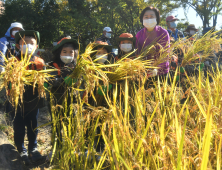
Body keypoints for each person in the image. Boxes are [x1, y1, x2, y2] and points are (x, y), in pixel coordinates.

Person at [11, 30, 44, 165]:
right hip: (17, 102)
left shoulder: (40, 63)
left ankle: (33, 148)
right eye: (24, 43)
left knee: (33, 127)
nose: (28, 45)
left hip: (33, 101)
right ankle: (20, 148)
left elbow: (44, 82)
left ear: (36, 46)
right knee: (18, 127)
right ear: (18, 46)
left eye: (31, 43)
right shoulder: (14, 61)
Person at [136, 6, 170, 83]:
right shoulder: (139, 34)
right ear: (142, 19)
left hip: (162, 72)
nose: (149, 19)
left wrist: (157, 69)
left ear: (156, 18)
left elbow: (166, 54)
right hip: (145, 73)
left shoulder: (163, 33)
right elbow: (137, 54)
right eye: (146, 17)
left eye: (151, 16)